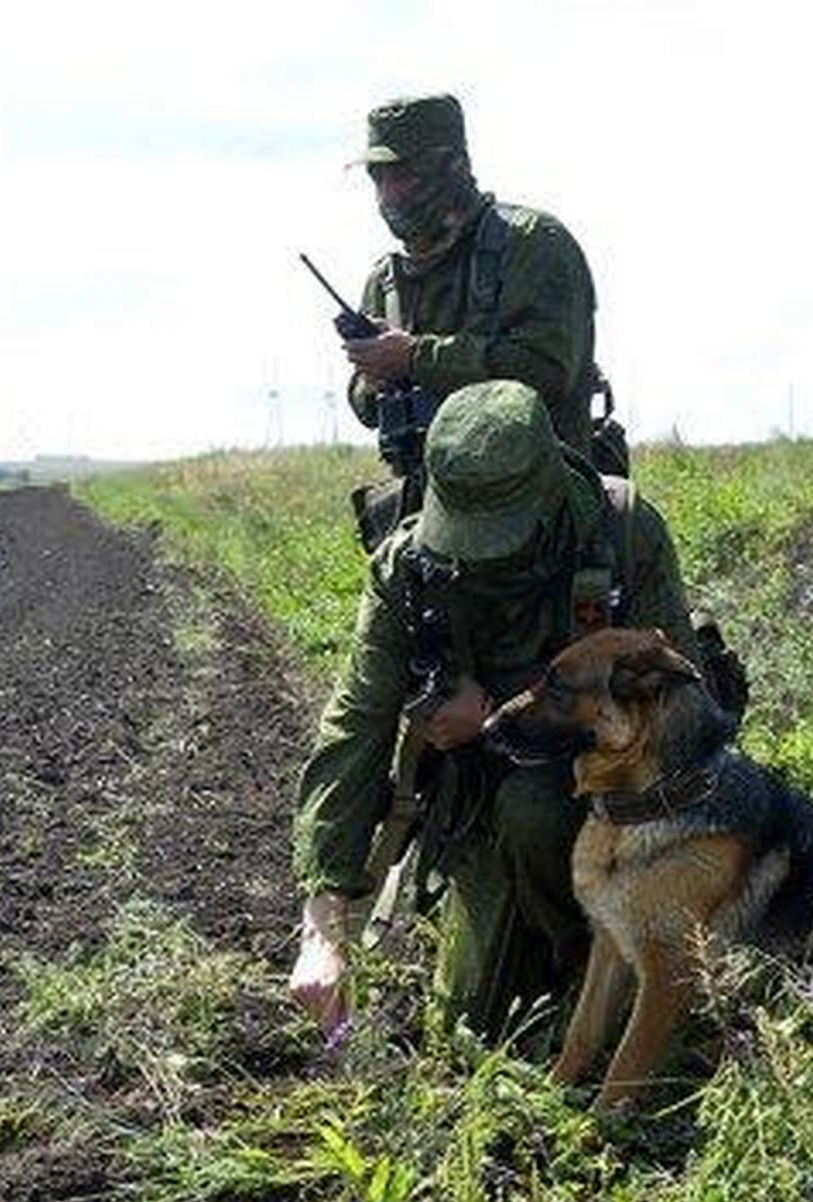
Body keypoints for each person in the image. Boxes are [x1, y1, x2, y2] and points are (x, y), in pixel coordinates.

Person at [287, 380, 702, 1042]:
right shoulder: (406, 566)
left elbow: (683, 706)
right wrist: (321, 925)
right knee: (465, 1031)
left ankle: (596, 966)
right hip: (475, 794)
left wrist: (526, 712)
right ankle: (533, 937)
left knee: (537, 812)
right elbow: (354, 725)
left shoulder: (622, 534)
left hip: (605, 787)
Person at [342, 93, 624, 475]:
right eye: (378, 177)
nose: (390, 194)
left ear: (454, 167)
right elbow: (367, 410)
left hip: (536, 498)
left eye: (406, 174)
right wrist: (373, 377)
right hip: (427, 509)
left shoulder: (531, 243)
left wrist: (415, 357)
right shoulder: (386, 281)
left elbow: (548, 370)